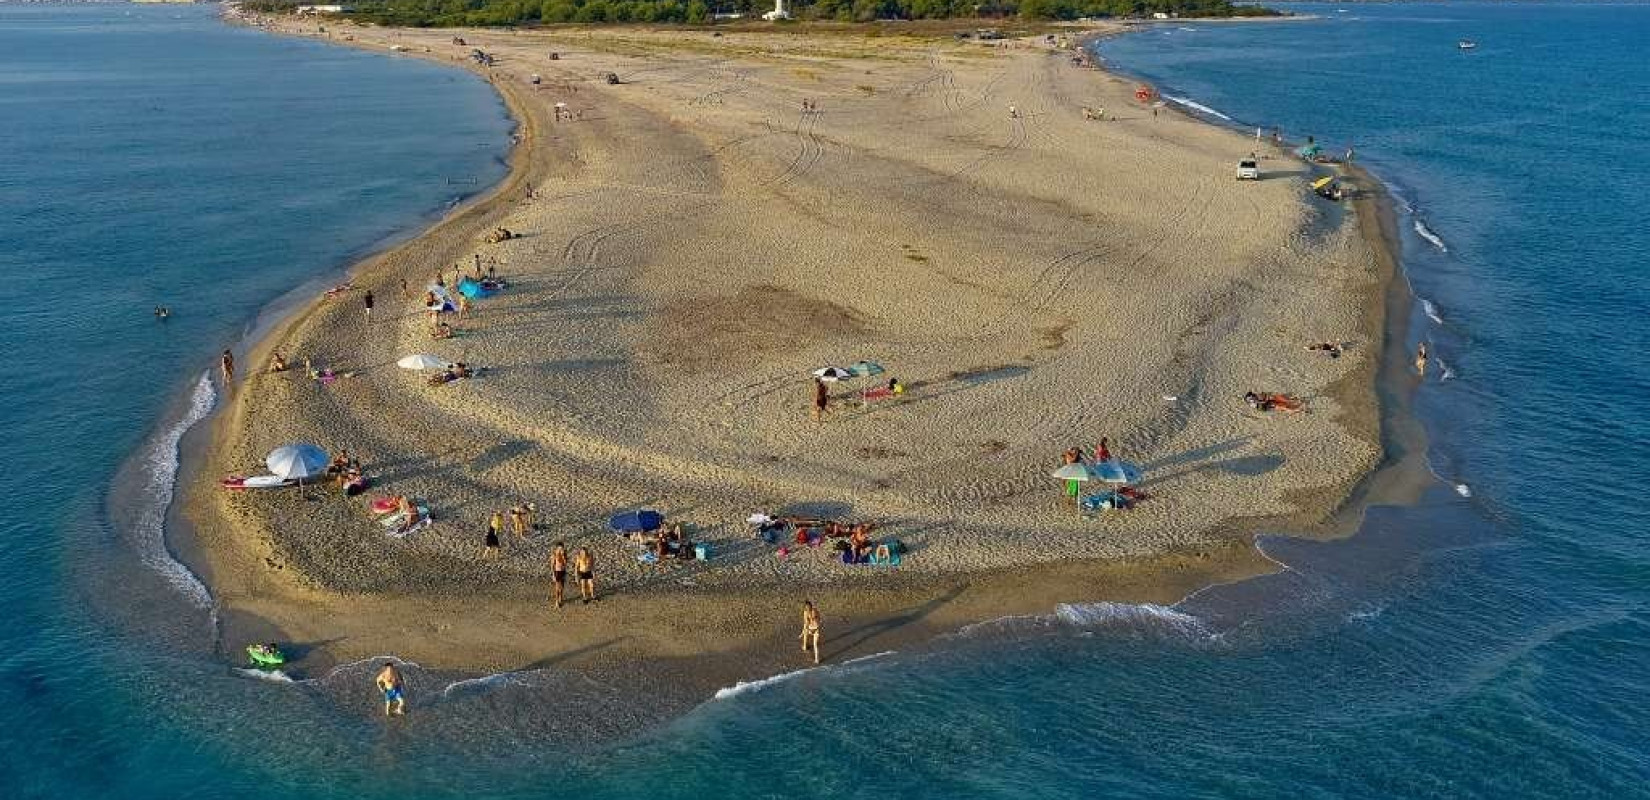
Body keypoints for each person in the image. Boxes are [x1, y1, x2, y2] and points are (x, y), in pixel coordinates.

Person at [800, 600, 822, 665]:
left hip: (810, 629)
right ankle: (817, 660)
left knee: (805, 633)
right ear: (811, 605)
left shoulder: (805, 613)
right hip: (816, 629)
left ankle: (805, 647)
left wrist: (802, 633)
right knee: (815, 645)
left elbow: (806, 623)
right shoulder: (815, 610)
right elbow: (819, 618)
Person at [550, 542, 568, 608]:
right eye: (559, 549)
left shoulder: (564, 554)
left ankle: (561, 597)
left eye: (562, 548)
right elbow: (552, 565)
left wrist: (563, 556)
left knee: (562, 587)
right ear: (557, 548)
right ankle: (557, 601)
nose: (560, 550)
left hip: (563, 571)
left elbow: (565, 563)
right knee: (557, 587)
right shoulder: (554, 554)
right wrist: (553, 574)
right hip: (557, 571)